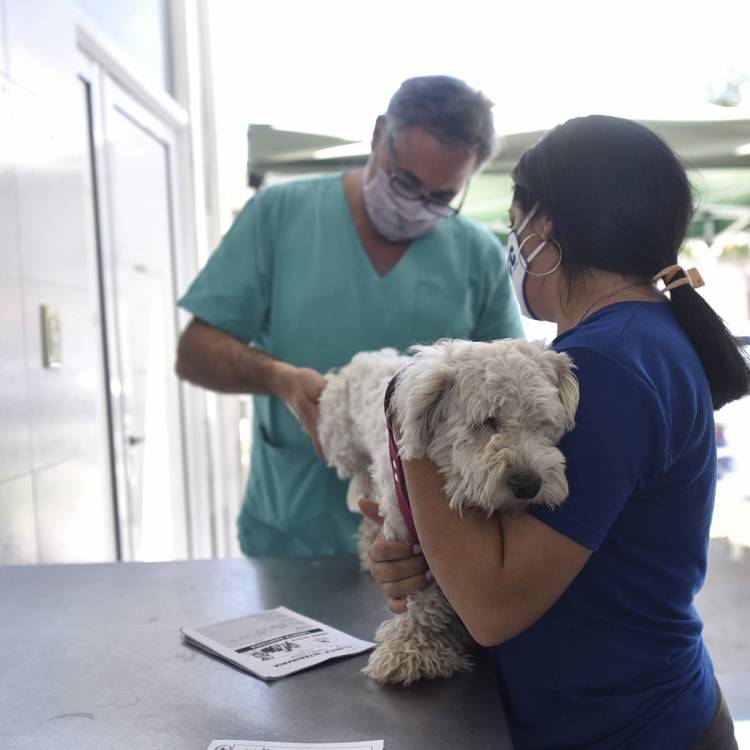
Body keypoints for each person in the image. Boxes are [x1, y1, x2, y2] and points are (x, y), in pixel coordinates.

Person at [363, 115, 748, 748]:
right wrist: (430, 557)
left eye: (514, 228)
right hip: (649, 711)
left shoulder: (608, 367)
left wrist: (415, 403)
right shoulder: (638, 339)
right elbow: (533, 543)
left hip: (621, 730)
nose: (512, 246)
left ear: (544, 232)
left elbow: (493, 605)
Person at [175, 76, 523, 557]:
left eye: (440, 198)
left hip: (429, 545)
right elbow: (194, 353)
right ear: (379, 135)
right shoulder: (281, 215)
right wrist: (280, 379)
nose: (414, 206)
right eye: (405, 182)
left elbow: (509, 398)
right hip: (295, 534)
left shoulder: (477, 256)